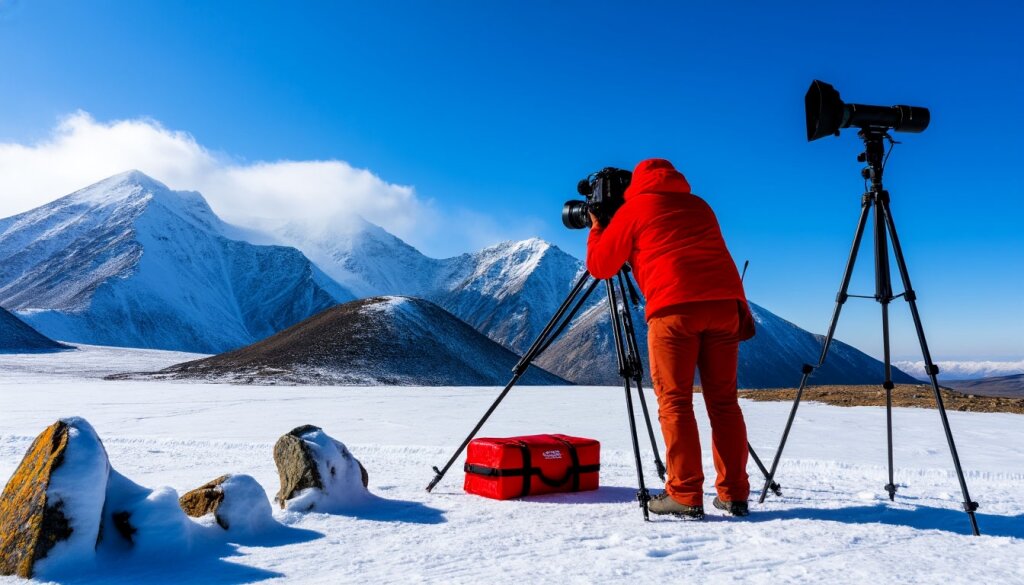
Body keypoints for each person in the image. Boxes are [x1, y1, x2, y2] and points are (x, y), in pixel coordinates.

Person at [586, 158, 755, 519]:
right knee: (724, 404)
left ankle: (684, 494)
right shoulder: (700, 205)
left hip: (674, 309)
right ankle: (734, 494)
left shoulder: (634, 210)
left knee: (676, 403)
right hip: (726, 307)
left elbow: (601, 266)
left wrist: (598, 227)